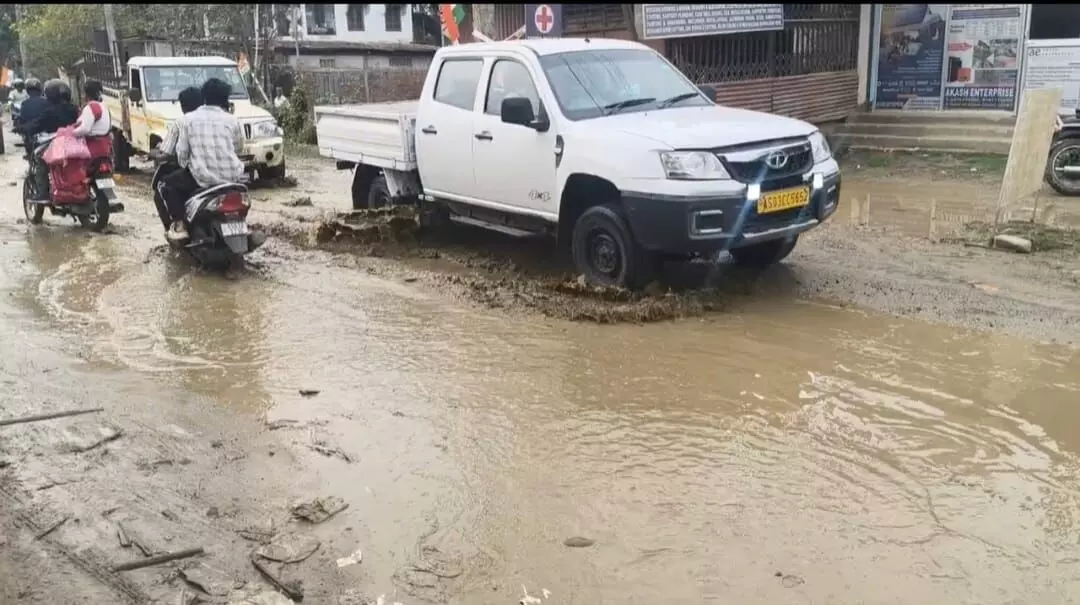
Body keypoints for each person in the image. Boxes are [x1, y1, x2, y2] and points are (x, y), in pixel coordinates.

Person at [164, 77, 244, 242]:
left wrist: (187, 165)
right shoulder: (233, 120)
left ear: (204, 97)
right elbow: (238, 148)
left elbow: (182, 154)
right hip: (233, 179)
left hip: (202, 179)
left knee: (168, 184)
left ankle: (180, 225)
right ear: (225, 99)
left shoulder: (188, 120)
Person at [151, 86, 202, 230]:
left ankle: (177, 226)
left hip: (197, 173)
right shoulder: (218, 120)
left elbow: (168, 154)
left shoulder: (182, 122)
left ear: (182, 105)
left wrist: (153, 153)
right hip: (227, 176)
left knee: (163, 185)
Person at [23, 79, 80, 202]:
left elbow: (36, 124)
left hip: (55, 143)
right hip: (75, 143)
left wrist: (24, 129)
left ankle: (43, 193)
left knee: (40, 159)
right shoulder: (74, 109)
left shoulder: (50, 111)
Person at [72, 79, 113, 162]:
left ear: (86, 93)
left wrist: (71, 133)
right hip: (106, 149)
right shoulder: (104, 107)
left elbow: (85, 129)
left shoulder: (91, 107)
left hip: (92, 149)